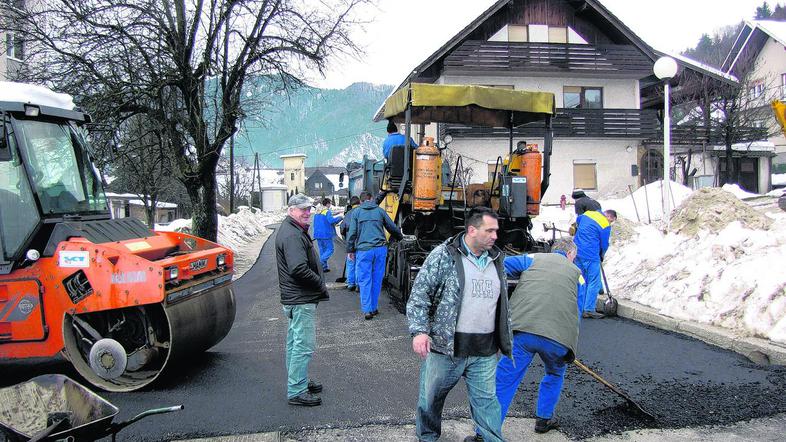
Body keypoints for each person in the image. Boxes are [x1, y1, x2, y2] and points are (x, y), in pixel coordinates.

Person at [406, 207, 512, 442]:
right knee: (430, 400)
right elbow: (420, 295)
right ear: (472, 230)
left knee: (487, 405)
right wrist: (419, 331)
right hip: (447, 350)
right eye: (490, 230)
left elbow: (502, 303)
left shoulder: (497, 259)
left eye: (496, 230)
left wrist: (503, 338)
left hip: (484, 351)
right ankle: (428, 438)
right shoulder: (444, 255)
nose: (496, 236)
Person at [484, 238, 585, 436]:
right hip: (557, 340)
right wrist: (569, 346)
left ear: (553, 250)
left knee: (505, 379)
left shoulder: (534, 259)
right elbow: (577, 312)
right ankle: (543, 421)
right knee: (555, 374)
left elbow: (501, 264)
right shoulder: (579, 276)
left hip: (524, 332)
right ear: (571, 254)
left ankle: (485, 431)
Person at [275, 194, 328, 406]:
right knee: (303, 345)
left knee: (294, 342)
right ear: (291, 211)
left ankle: (299, 380)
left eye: (309, 209)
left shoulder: (293, 230)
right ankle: (296, 389)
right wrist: (319, 283)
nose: (307, 213)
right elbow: (298, 269)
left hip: (295, 297)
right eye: (303, 209)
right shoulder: (292, 235)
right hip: (299, 298)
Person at [346, 191, 403, 319]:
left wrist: (350, 250)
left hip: (364, 250)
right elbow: (392, 227)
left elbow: (352, 233)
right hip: (379, 250)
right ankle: (374, 307)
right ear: (371, 199)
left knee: (365, 279)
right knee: (377, 279)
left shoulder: (357, 212)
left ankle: (367, 310)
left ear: (360, 201)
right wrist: (400, 238)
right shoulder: (380, 211)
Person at [574, 209, 615, 318]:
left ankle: (578, 305)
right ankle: (588, 309)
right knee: (594, 281)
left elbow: (577, 221)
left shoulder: (588, 213)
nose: (611, 222)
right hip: (591, 255)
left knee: (581, 280)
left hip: (576, 251)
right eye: (612, 221)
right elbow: (604, 244)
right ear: (610, 217)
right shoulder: (605, 224)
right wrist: (602, 255)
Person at [313, 198, 342, 272]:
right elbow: (331, 221)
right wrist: (340, 217)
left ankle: (324, 268)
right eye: (330, 203)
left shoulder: (317, 212)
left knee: (322, 251)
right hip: (326, 234)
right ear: (328, 204)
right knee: (330, 249)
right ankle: (320, 262)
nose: (330, 205)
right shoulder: (326, 211)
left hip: (318, 234)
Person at [340, 196, 361, 291]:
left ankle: (350, 283)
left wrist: (346, 239)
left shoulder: (348, 214)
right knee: (359, 263)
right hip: (360, 242)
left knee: (350, 262)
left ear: (351, 204)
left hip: (350, 242)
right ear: (359, 202)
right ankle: (357, 284)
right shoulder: (362, 212)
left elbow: (342, 228)